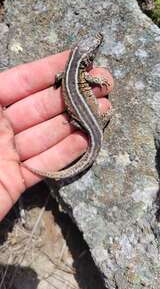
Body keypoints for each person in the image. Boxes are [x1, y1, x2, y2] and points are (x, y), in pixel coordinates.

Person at [0, 50, 114, 222]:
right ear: (86, 60)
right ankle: (100, 119)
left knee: (92, 124)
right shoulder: (80, 72)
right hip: (87, 120)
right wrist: (97, 80)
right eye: (95, 49)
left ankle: (95, 120)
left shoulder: (67, 71)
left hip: (83, 119)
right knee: (95, 122)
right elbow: (86, 79)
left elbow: (58, 77)